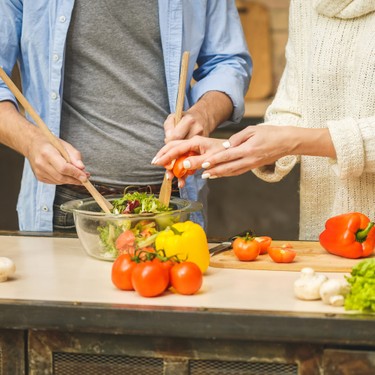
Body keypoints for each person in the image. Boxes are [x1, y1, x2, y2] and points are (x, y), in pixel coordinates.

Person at [0, 1, 251, 232]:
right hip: (68, 205)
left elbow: (227, 62)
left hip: (173, 200)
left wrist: (203, 115)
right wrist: (31, 142)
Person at [152, 0, 375, 241]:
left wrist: (295, 141)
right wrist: (234, 148)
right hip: (333, 230)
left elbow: (294, 137)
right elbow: (293, 106)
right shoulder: (306, 4)